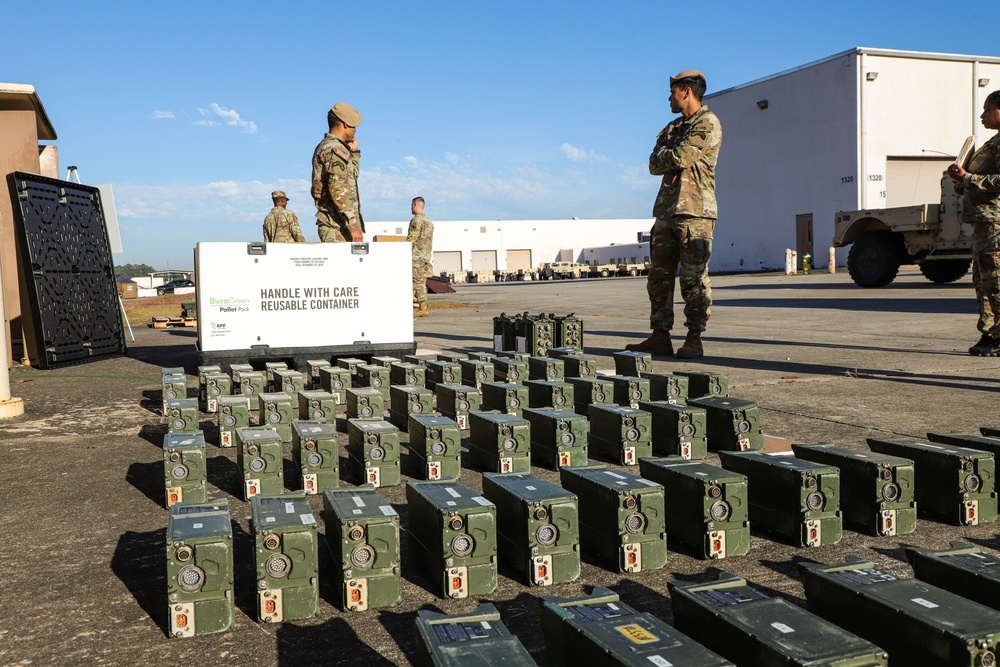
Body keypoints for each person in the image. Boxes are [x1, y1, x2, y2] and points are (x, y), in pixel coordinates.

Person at [626, 69, 722, 359]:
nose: (669, 97)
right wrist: (669, 153)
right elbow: (653, 164)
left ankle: (694, 338)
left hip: (695, 213)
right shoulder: (672, 128)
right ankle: (660, 335)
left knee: (693, 279)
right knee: (659, 277)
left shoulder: (708, 123)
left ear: (686, 91)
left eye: (673, 91)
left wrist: (669, 153)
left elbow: (682, 157)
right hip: (667, 211)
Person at [948, 90, 1000, 356]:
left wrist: (967, 178)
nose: (983, 115)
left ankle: (996, 336)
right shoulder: (993, 142)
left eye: (988, 109)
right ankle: (991, 334)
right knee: (983, 280)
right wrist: (963, 182)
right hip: (984, 223)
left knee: (994, 281)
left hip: (996, 224)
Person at [311, 102, 365, 243]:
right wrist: (353, 225)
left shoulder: (336, 148)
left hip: (340, 225)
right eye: (353, 126)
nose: (355, 130)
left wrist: (354, 153)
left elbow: (350, 179)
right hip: (335, 226)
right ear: (345, 124)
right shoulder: (333, 148)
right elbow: (338, 188)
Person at [407, 197, 434, 317]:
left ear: (414, 205)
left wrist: (402, 250)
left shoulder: (416, 220)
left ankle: (423, 307)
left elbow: (412, 238)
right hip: (425, 255)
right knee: (421, 281)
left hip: (416, 256)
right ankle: (415, 303)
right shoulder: (428, 221)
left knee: (417, 281)